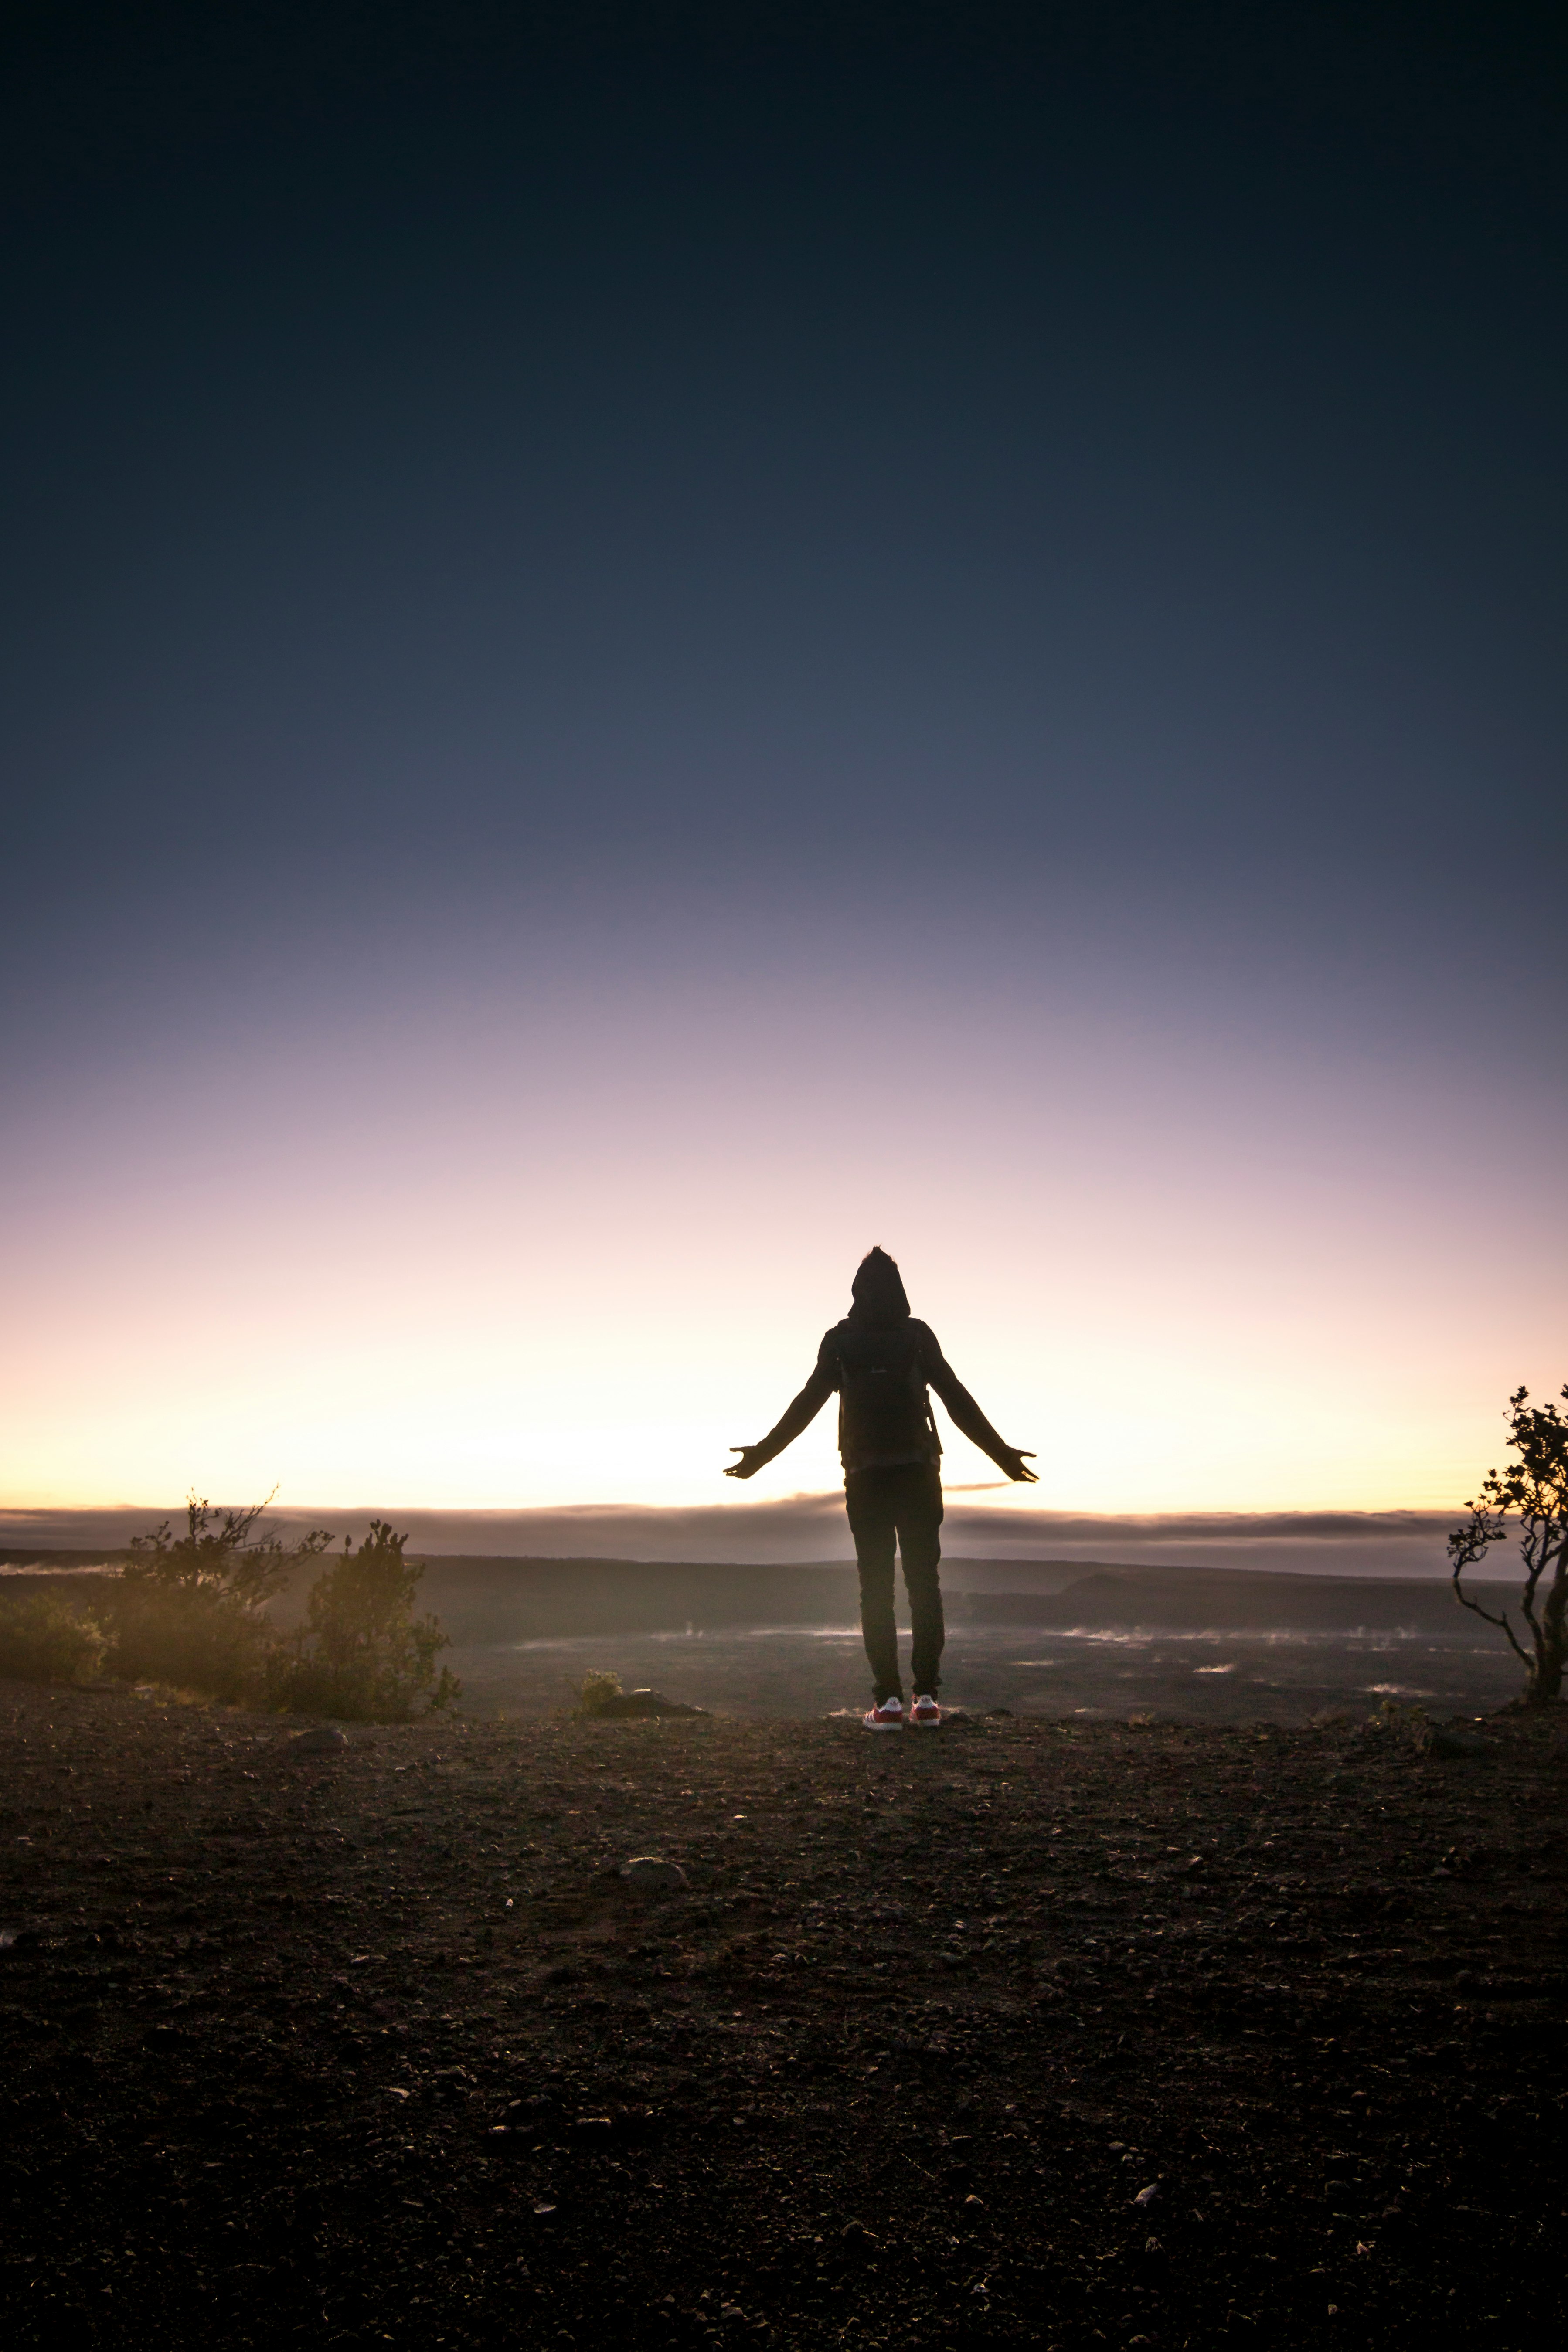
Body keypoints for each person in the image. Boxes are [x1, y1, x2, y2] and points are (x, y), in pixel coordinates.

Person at [724, 1247, 1037, 1730]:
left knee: (875, 1587)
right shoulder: (917, 1335)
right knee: (924, 1585)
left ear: (856, 1289)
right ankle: (927, 1698)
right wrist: (1003, 1455)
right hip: (918, 1472)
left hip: (865, 1476)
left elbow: (807, 1402)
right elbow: (954, 1396)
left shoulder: (839, 1340)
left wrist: (761, 1456)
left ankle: (888, 1703)